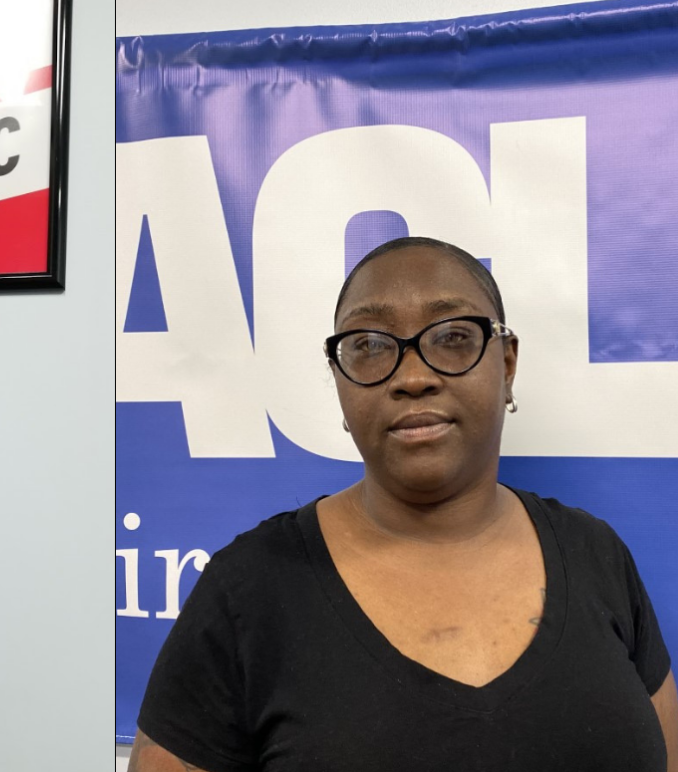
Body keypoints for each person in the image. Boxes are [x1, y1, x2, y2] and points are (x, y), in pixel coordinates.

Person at [130, 237, 678, 771]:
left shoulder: (595, 554)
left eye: (454, 336)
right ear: (340, 382)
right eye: (369, 346)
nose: (413, 377)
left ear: (507, 363)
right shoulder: (247, 590)